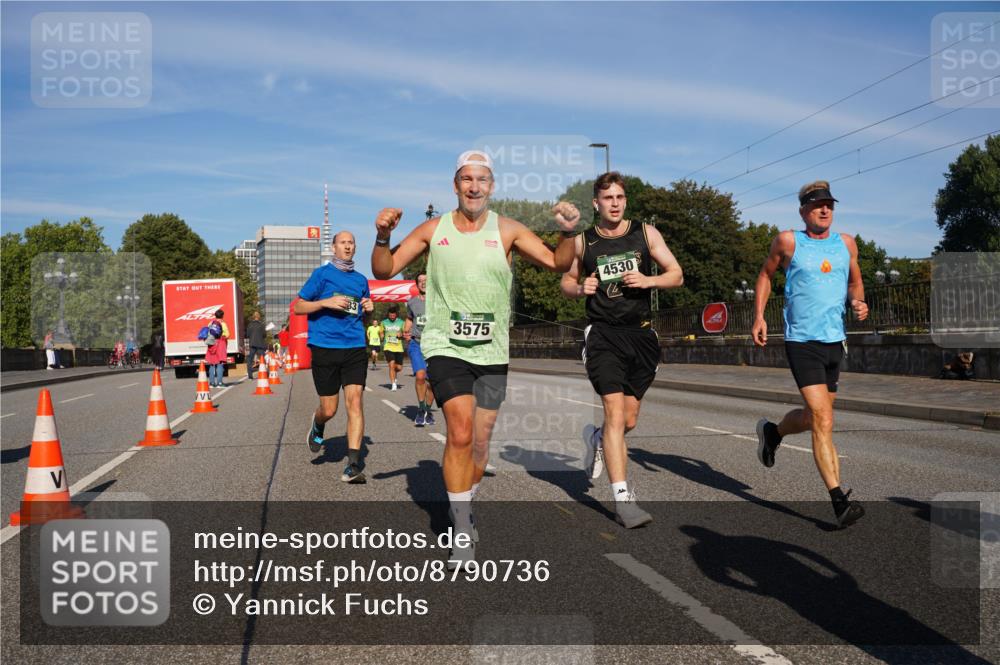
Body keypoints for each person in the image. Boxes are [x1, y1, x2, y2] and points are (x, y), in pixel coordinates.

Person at [371, 150, 580, 567]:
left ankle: (464, 500)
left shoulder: (509, 230)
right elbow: (385, 269)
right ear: (455, 185)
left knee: (481, 444)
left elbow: (558, 263)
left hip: (491, 350)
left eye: (482, 179)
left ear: (492, 186)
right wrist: (380, 235)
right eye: (466, 179)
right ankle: (462, 527)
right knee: (461, 432)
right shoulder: (434, 229)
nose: (474, 186)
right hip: (445, 346)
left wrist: (569, 232)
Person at [560, 171, 684, 528]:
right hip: (603, 336)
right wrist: (580, 286)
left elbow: (676, 273)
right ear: (596, 203)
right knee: (615, 412)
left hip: (642, 337)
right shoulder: (584, 242)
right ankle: (623, 499)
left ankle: (596, 438)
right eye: (607, 198)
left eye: (619, 197)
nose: (614, 203)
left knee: (628, 420)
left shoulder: (645, 233)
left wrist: (650, 280)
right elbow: (566, 281)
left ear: (625, 201)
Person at [751, 180, 869, 528]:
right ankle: (839, 501)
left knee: (813, 417)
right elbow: (765, 275)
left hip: (835, 341)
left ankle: (773, 433)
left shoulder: (846, 243)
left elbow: (854, 282)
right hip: (801, 342)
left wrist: (858, 302)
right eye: (817, 204)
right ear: (803, 210)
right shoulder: (788, 241)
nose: (825, 209)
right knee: (824, 420)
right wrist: (759, 316)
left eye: (829, 204)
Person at [294, 230, 374, 483]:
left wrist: (370, 310)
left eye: (352, 242)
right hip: (325, 347)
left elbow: (364, 316)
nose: (348, 246)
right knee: (329, 409)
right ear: (333, 247)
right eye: (343, 243)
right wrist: (325, 303)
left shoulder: (361, 280)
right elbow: (298, 306)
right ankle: (318, 425)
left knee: (355, 403)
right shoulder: (322, 275)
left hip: (354, 347)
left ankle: (352, 465)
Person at [404, 273, 436, 426]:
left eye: (426, 281)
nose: (423, 283)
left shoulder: (439, 301)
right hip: (417, 343)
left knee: (433, 383)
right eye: (420, 281)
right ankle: (421, 409)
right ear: (417, 285)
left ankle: (428, 411)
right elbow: (410, 318)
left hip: (436, 346)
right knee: (420, 376)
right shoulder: (412, 302)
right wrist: (405, 331)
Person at [381, 304, 406, 390]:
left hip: (398, 347)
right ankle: (393, 384)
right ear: (388, 314)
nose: (392, 316)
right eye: (390, 315)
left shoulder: (401, 322)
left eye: (393, 315)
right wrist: (381, 335)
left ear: (396, 314)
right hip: (388, 346)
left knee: (398, 368)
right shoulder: (384, 322)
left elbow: (406, 334)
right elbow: (381, 332)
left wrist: (402, 334)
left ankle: (395, 373)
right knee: (391, 365)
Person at [205, 309, 230, 387]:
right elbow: (227, 334)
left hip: (211, 344)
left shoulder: (210, 323)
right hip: (220, 344)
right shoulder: (223, 324)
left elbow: (207, 333)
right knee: (220, 363)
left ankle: (212, 383)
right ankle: (219, 382)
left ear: (215, 315)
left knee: (212, 363)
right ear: (222, 316)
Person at [246, 311, 267, 379]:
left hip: (252, 344)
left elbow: (248, 334)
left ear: (253, 317)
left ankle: (250, 376)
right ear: (259, 317)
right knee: (262, 359)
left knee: (250, 360)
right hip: (260, 344)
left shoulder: (250, 325)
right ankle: (264, 374)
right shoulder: (261, 325)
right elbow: (264, 335)